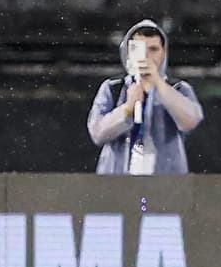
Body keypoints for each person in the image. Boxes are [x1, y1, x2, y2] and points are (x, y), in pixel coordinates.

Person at [87, 19, 203, 174]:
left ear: (164, 52)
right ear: (128, 52)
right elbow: (97, 134)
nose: (146, 56)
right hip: (118, 182)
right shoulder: (112, 88)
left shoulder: (179, 89)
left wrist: (159, 84)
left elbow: (190, 121)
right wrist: (127, 109)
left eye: (153, 49)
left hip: (164, 182)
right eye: (139, 49)